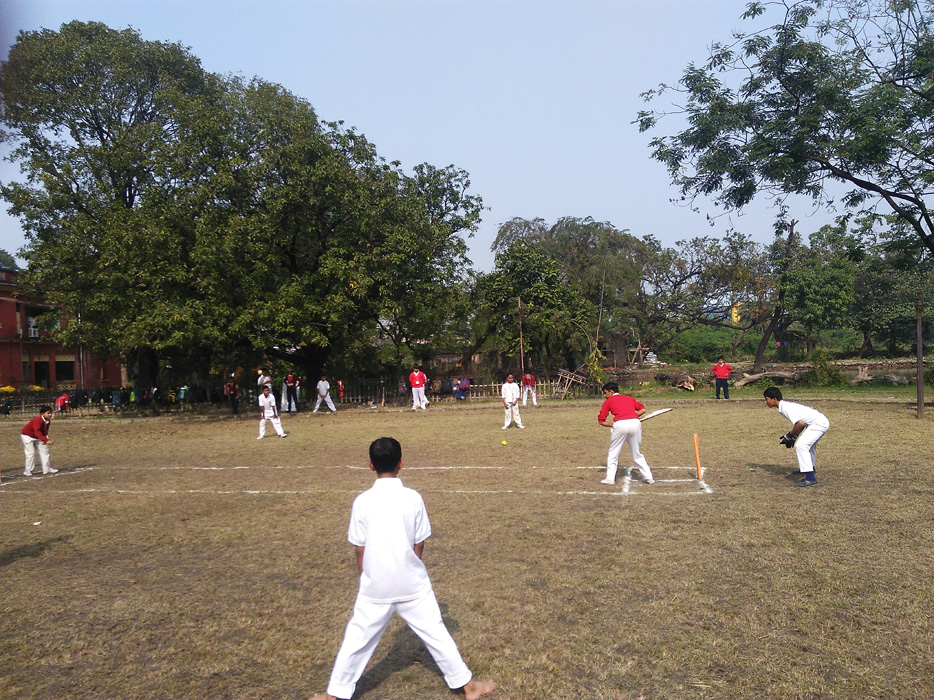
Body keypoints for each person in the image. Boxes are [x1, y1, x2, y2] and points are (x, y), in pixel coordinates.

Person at [309, 437, 496, 700]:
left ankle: (333, 696)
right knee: (436, 631)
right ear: (401, 464)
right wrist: (409, 565)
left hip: (376, 585)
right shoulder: (413, 498)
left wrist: (367, 577)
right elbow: (419, 542)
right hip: (412, 583)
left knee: (357, 639)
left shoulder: (362, 501)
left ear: (370, 465)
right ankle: (469, 687)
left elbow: (359, 548)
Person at [763, 387, 829, 487]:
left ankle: (810, 479)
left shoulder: (784, 408)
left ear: (774, 399)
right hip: (818, 422)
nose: (765, 402)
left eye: (767, 399)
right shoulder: (784, 406)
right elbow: (801, 423)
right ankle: (809, 468)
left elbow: (800, 423)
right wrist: (794, 437)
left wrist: (790, 435)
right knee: (808, 446)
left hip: (819, 423)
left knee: (802, 446)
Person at [597, 382, 654, 485]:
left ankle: (610, 478)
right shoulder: (629, 398)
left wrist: (613, 425)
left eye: (605, 393)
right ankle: (648, 477)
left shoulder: (608, 402)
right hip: (635, 423)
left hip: (620, 424)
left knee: (613, 453)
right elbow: (643, 409)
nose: (605, 396)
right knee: (637, 453)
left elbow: (601, 421)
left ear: (611, 391)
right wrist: (632, 416)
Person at [22, 405, 57, 476]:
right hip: (28, 436)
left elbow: (44, 431)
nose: (50, 415)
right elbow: (37, 431)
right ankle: (28, 471)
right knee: (31, 453)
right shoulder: (38, 420)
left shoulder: (47, 421)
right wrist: (46, 440)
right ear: (42, 414)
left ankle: (46, 469)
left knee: (44, 451)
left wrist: (45, 439)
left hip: (37, 437)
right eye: (48, 413)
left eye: (50, 413)